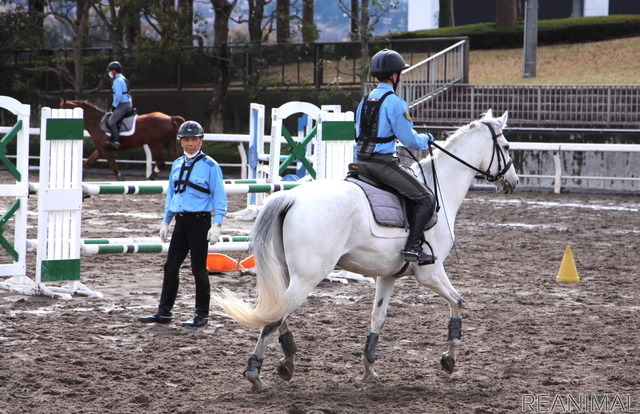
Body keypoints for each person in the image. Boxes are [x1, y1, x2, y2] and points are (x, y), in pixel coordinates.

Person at [138, 120, 228, 327]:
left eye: (194, 140)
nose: (190, 144)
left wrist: (217, 224)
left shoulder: (210, 166)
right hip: (181, 221)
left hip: (200, 222)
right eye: (186, 140)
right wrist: (166, 221)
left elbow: (219, 198)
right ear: (180, 142)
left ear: (201, 140)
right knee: (170, 267)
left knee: (198, 268)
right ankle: (164, 312)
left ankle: (201, 315)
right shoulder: (177, 164)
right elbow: (172, 194)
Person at [354, 49, 437, 265]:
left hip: (359, 162)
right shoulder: (395, 102)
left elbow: (358, 134)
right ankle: (413, 247)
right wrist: (426, 140)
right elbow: (408, 139)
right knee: (426, 198)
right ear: (393, 76)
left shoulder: (364, 101)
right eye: (399, 73)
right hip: (381, 164)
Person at [105, 61, 133, 150]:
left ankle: (116, 141)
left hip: (123, 104)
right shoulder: (122, 78)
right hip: (127, 102)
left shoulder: (117, 80)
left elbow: (118, 96)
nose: (109, 73)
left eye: (110, 71)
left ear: (114, 71)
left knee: (111, 120)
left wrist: (114, 106)